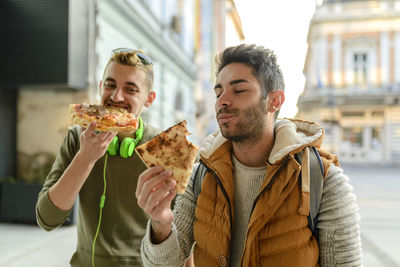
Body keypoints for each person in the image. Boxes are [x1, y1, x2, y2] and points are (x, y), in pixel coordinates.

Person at [136, 44, 363, 266]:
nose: (222, 100)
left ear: (275, 101)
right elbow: (166, 263)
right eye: (218, 92)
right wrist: (161, 224)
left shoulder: (322, 180)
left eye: (239, 90)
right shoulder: (200, 175)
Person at [36, 48, 161, 266]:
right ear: (101, 86)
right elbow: (47, 219)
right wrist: (85, 159)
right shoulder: (78, 136)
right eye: (110, 85)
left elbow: (183, 235)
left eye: (130, 89)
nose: (116, 97)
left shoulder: (163, 144)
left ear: (149, 99)